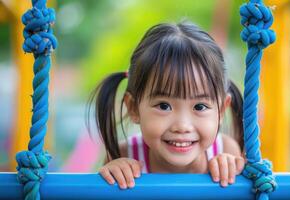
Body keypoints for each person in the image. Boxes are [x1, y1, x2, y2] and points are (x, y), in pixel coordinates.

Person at [89, 21, 245, 189]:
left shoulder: (226, 150)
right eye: (164, 106)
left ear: (221, 110)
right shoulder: (125, 155)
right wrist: (112, 181)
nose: (182, 126)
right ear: (133, 108)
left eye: (199, 107)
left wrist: (233, 174)